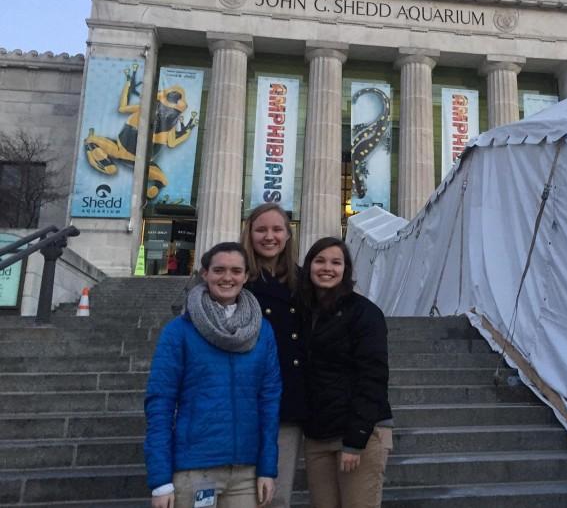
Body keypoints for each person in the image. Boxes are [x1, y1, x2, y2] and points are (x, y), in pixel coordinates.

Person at [144, 242, 280, 508]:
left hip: (246, 470)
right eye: (219, 270)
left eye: (235, 271)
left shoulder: (263, 331)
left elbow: (269, 401)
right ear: (205, 273)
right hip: (195, 468)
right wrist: (160, 480)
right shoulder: (179, 331)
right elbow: (160, 403)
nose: (227, 278)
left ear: (246, 276)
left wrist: (267, 467)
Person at [299, 237, 393, 508]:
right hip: (318, 434)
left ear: (346, 270)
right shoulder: (305, 313)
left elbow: (373, 378)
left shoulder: (365, 313)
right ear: (308, 266)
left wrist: (355, 440)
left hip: (360, 433)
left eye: (336, 262)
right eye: (319, 260)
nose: (327, 268)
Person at [240, 203, 305, 508]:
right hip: (242, 402)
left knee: (276, 497)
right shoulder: (236, 279)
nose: (270, 236)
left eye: (277, 229)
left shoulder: (303, 281)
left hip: (286, 404)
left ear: (288, 234)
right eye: (261, 229)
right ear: (249, 234)